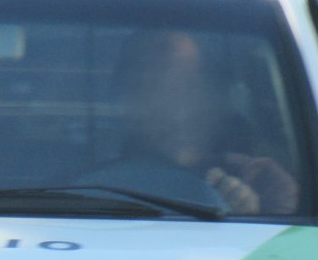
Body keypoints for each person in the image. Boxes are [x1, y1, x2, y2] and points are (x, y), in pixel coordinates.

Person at [116, 30, 299, 216]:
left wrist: (249, 214)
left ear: (210, 93)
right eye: (145, 87)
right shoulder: (98, 188)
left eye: (182, 86)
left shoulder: (266, 182)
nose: (164, 104)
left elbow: (293, 241)